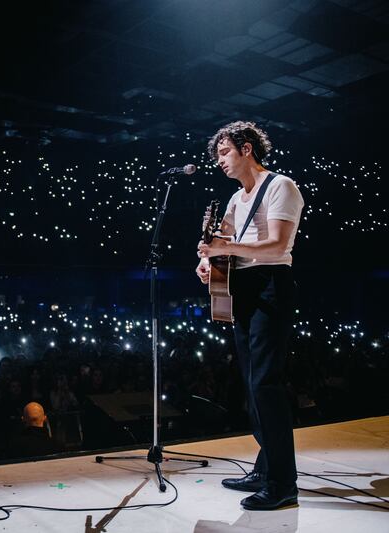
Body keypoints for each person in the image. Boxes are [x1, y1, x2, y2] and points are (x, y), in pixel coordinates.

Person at [197, 121, 304, 511]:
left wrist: (226, 247)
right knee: (251, 383)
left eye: (223, 153)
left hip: (270, 285)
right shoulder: (235, 200)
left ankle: (283, 483)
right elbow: (224, 247)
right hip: (242, 288)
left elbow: (276, 243)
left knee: (266, 385)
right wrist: (209, 262)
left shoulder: (280, 186)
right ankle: (265, 467)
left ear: (245, 148)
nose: (219, 161)